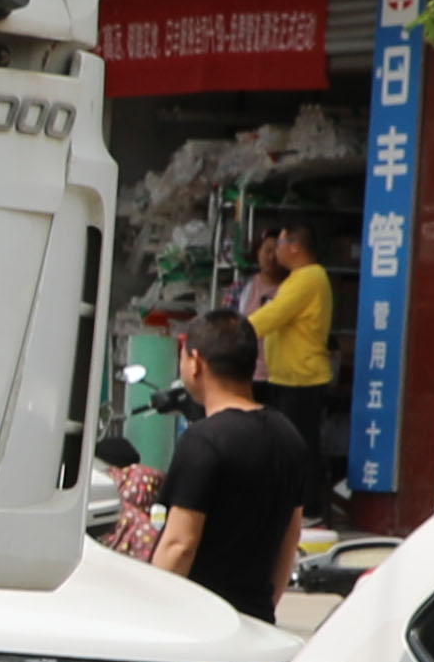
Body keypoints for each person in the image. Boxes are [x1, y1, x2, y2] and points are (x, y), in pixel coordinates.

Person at [144, 305, 312, 626]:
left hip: (197, 625)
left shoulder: (203, 441)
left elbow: (180, 544)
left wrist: (152, 618)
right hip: (254, 623)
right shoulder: (289, 436)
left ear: (196, 363)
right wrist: (263, 613)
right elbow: (290, 538)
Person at [245, 213, 344, 488]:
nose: (275, 251)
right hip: (288, 377)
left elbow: (274, 314)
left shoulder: (308, 278)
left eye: (279, 244)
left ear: (294, 246)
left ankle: (308, 507)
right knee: (289, 444)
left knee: (300, 445)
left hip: (302, 377)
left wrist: (235, 333)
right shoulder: (297, 278)